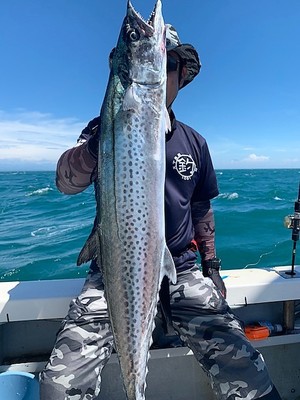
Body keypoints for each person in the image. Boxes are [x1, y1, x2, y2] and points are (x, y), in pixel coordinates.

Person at [40, 25, 282, 400]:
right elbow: (65, 182)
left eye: (170, 64)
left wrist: (212, 266)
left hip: (182, 268)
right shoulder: (105, 128)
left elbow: (202, 208)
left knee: (246, 365)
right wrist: (100, 143)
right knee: (58, 386)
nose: (163, 70)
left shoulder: (195, 142)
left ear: (179, 76)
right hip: (114, 269)